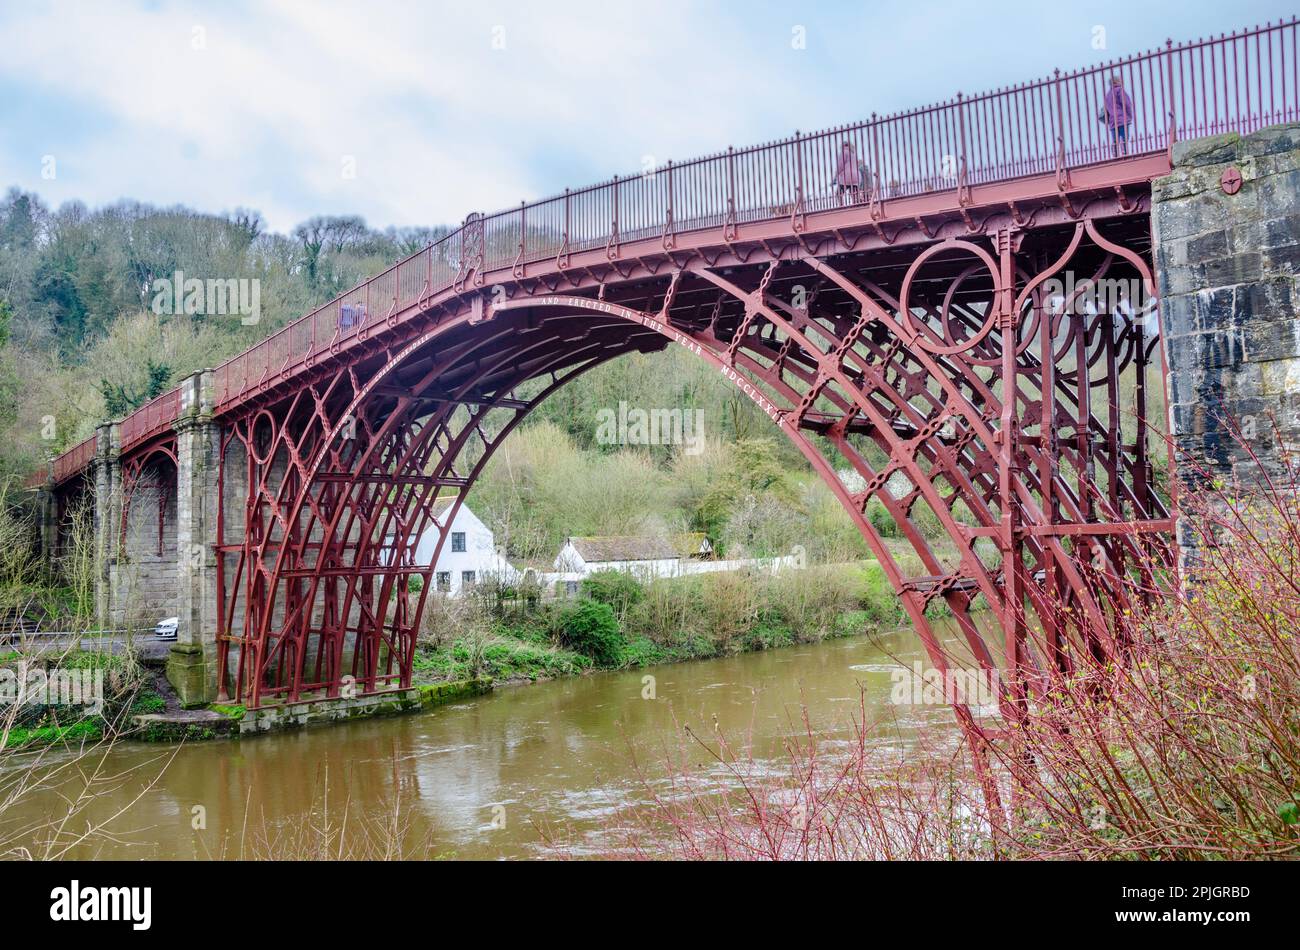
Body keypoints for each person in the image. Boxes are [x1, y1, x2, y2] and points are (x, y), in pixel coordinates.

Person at [1100, 75, 1135, 157]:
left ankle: (1115, 154)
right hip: (1122, 119)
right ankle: (1125, 153)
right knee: (1124, 138)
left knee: (1115, 140)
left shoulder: (1108, 95)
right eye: (1120, 80)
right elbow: (1127, 104)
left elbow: (1106, 109)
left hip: (1113, 121)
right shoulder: (1120, 90)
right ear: (1116, 82)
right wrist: (1129, 116)